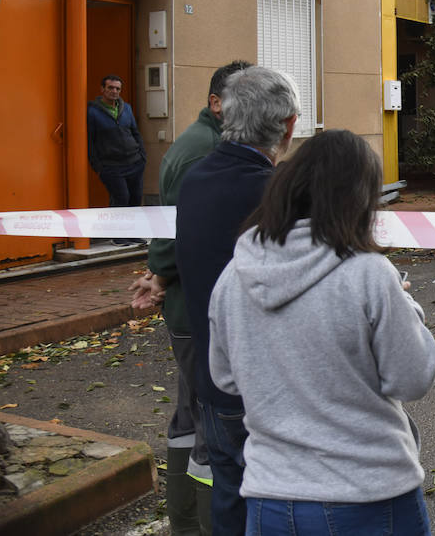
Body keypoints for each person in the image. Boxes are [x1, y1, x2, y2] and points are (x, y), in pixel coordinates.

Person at [209, 130, 435, 535]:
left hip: (269, 500)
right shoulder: (369, 274)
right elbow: (412, 377)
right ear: (359, 199)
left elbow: (225, 378)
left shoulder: (234, 274)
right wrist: (408, 306)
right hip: (368, 495)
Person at [130, 59, 251, 536]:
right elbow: (184, 229)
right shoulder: (207, 151)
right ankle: (201, 523)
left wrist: (159, 273)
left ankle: (183, 521)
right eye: (241, 100)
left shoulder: (201, 142)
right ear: (216, 103)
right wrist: (159, 273)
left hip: (187, 304)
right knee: (209, 427)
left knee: (188, 414)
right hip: (198, 309)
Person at [176, 66, 299, 535]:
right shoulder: (276, 194)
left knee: (230, 496)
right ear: (287, 126)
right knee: (279, 506)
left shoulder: (196, 178)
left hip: (213, 377)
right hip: (268, 385)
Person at [87, 73, 147, 208]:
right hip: (111, 167)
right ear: (102, 89)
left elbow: (135, 133)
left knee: (135, 200)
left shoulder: (127, 108)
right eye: (110, 88)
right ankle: (116, 229)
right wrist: (98, 167)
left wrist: (142, 156)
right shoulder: (92, 112)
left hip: (135, 163)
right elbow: (90, 141)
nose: (114, 91)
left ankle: (134, 229)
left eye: (117, 89)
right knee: (121, 199)